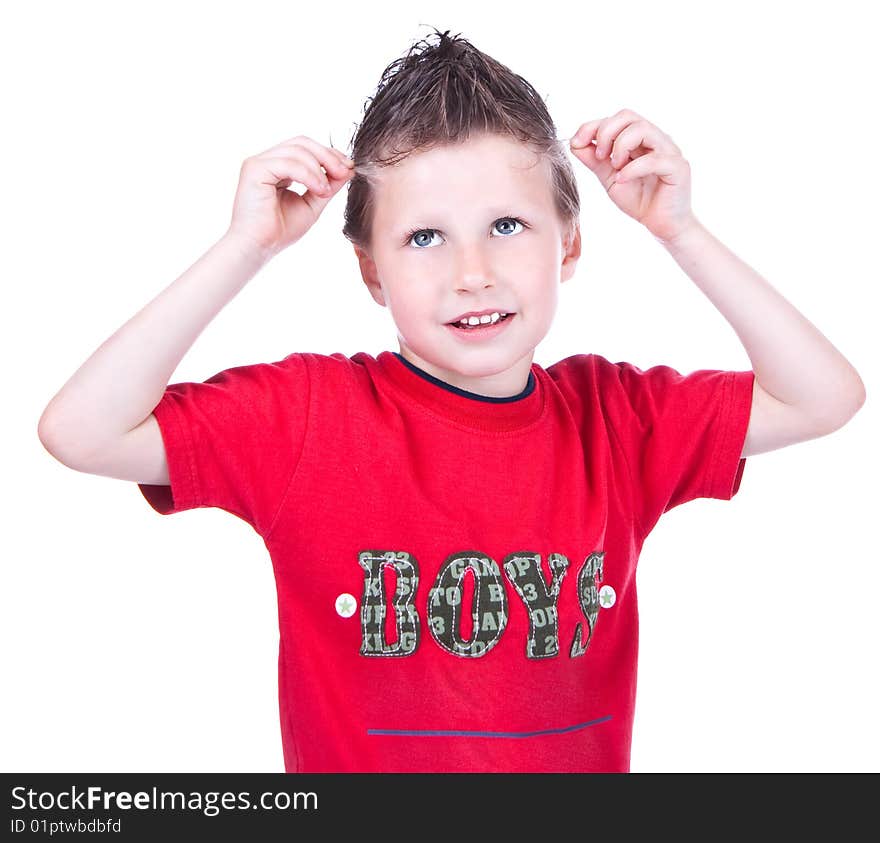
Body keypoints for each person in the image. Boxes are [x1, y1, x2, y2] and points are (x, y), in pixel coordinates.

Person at [36, 28, 865, 773]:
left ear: (567, 243)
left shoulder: (617, 420)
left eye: (507, 225)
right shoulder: (307, 418)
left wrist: (680, 228)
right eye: (424, 237)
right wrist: (244, 246)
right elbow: (82, 430)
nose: (473, 271)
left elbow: (824, 397)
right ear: (372, 271)